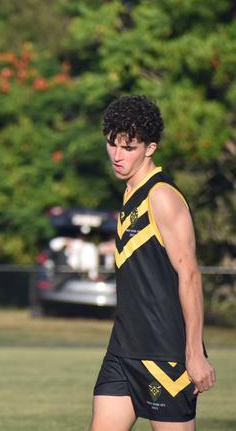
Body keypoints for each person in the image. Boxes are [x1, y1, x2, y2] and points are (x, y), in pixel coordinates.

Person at [90, 95, 216, 430]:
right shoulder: (130, 193)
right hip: (122, 350)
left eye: (128, 147)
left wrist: (194, 352)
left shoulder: (161, 196)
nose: (117, 156)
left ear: (150, 148)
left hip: (165, 354)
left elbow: (189, 274)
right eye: (112, 144)